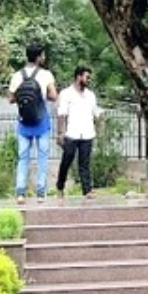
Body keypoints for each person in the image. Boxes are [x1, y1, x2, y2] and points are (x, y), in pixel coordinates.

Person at [6, 43, 58, 203]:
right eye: (42, 55)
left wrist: (24, 98)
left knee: (23, 158)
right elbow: (53, 95)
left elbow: (11, 98)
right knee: (42, 156)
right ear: (38, 57)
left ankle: (20, 193)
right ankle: (41, 193)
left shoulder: (17, 75)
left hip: (24, 122)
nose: (44, 58)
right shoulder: (46, 75)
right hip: (41, 121)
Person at [55, 65, 104, 200]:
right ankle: (60, 186)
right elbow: (61, 114)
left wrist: (101, 119)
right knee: (66, 161)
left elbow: (95, 112)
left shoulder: (90, 95)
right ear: (78, 77)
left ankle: (87, 190)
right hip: (72, 133)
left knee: (84, 163)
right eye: (86, 77)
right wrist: (60, 133)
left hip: (87, 133)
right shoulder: (66, 94)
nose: (88, 80)